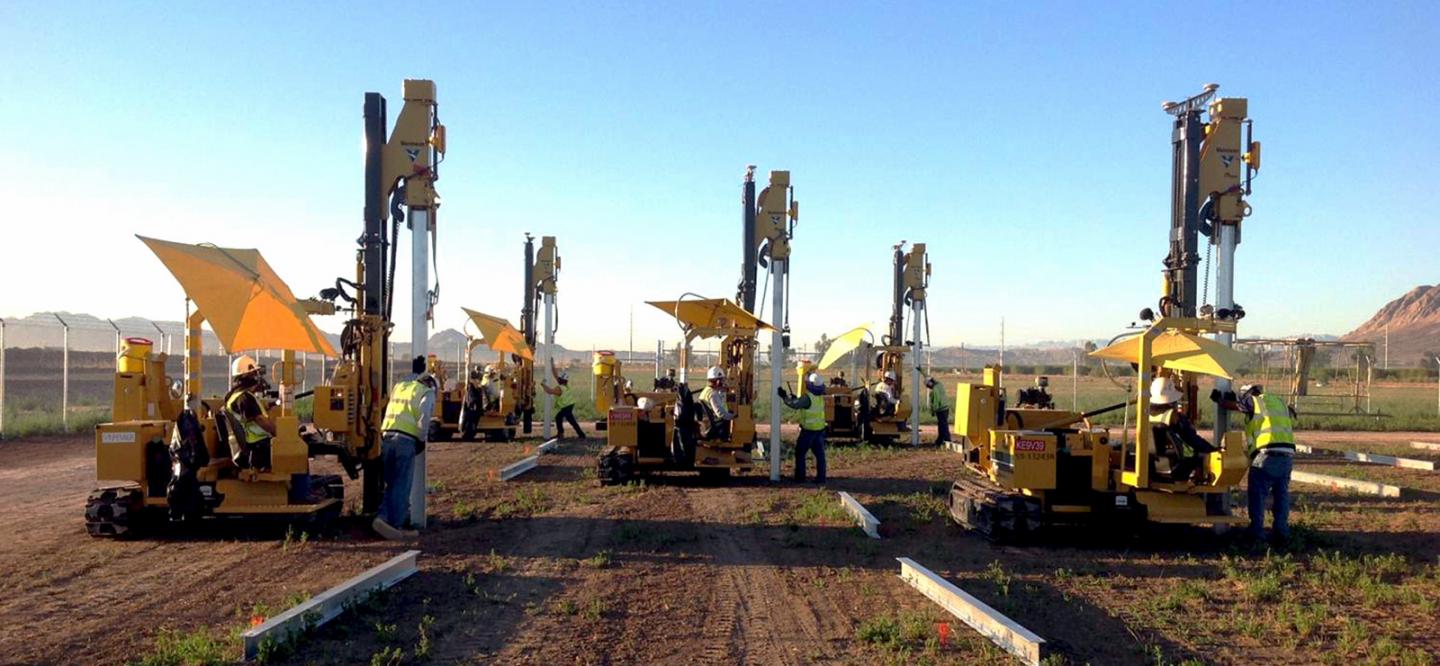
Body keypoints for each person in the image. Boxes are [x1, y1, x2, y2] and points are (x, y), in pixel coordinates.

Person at [1215, 383, 1297, 544]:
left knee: (1258, 495)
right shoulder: (1278, 402)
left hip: (1266, 455)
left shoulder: (1254, 401)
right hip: (1286, 455)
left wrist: (1220, 400)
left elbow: (1233, 406)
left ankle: (1256, 534)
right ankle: (1282, 533)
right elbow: (1290, 413)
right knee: (1281, 495)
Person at [375, 355, 436, 540]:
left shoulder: (400, 387)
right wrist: (422, 438)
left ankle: (383, 517)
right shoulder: (426, 392)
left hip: (386, 437)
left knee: (391, 482)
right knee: (402, 483)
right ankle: (396, 525)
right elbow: (424, 418)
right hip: (405, 441)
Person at [1147, 374, 1216, 482]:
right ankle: (1210, 496)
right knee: (1204, 458)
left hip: (1151, 466)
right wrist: (1213, 451)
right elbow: (1193, 440)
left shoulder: (1145, 415)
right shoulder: (1174, 417)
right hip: (1174, 467)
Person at [224, 355, 276, 470]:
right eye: (254, 373)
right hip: (258, 447)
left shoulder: (234, 397)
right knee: (296, 450)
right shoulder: (245, 398)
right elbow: (260, 420)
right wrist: (279, 433)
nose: (257, 377)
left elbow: (247, 417)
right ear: (247, 376)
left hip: (251, 446)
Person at [779, 373, 828, 483]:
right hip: (819, 431)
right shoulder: (819, 398)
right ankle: (821, 478)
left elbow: (794, 404)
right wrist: (797, 399)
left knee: (800, 453)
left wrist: (784, 397)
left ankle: (800, 478)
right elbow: (804, 404)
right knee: (820, 455)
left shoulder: (808, 397)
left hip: (808, 432)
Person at [541, 357, 586, 439]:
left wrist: (543, 385)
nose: (558, 379)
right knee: (571, 420)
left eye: (560, 379)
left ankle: (560, 434)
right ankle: (581, 435)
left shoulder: (560, 388)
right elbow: (555, 375)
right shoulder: (565, 386)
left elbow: (550, 391)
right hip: (569, 405)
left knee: (558, 418)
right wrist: (552, 364)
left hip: (567, 407)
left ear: (562, 380)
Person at [699, 366, 735, 440]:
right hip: (715, 427)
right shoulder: (713, 394)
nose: (723, 383)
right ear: (718, 381)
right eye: (722, 380)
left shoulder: (706, 391)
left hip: (706, 425)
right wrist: (734, 417)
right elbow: (720, 413)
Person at [927, 376, 950, 445]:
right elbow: (929, 378)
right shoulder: (939, 384)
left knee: (943, 425)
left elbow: (936, 402)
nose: (929, 388)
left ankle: (947, 439)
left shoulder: (935, 390)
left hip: (941, 409)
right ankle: (940, 440)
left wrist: (933, 411)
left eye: (928, 386)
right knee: (942, 424)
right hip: (945, 408)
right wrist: (922, 371)